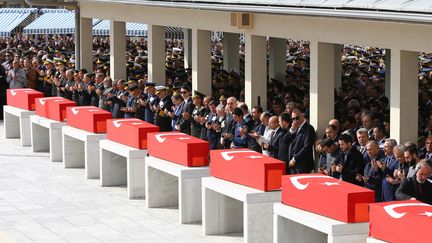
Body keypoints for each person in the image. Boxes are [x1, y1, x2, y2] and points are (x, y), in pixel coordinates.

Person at [285, 109, 315, 174]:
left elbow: (307, 147)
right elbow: (284, 141)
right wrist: (292, 130)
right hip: (293, 164)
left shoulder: (308, 128)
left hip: (302, 164)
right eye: (293, 119)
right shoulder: (295, 128)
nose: (295, 121)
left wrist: (294, 159)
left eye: (297, 118)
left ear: (302, 116)